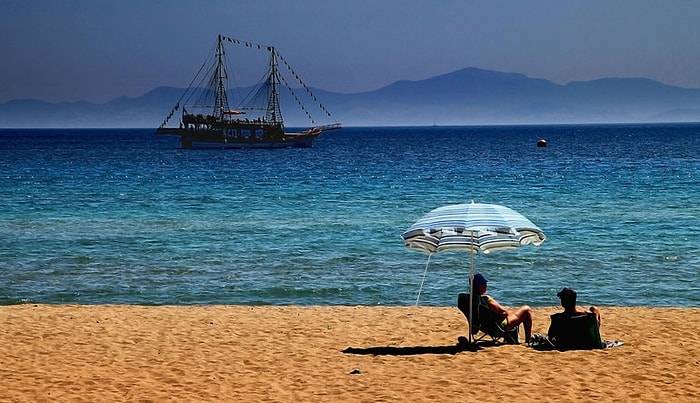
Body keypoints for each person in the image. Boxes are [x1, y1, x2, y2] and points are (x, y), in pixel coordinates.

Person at [471, 273, 533, 343]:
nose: (486, 286)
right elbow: (504, 313)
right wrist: (507, 312)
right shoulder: (485, 299)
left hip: (484, 327)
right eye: (484, 284)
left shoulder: (470, 300)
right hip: (500, 326)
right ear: (479, 286)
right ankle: (528, 340)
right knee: (526, 309)